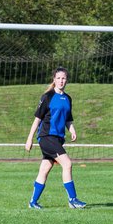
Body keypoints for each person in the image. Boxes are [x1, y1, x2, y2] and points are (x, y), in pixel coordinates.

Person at [24, 66, 86, 209]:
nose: (61, 81)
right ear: (54, 80)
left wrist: (72, 130)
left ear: (67, 80)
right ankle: (73, 200)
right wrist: (29, 138)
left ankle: (33, 202)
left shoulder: (68, 99)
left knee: (45, 168)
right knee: (67, 164)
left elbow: (68, 119)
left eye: (63, 78)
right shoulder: (47, 97)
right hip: (47, 137)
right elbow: (37, 119)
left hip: (58, 138)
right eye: (58, 78)